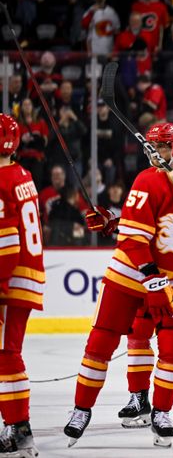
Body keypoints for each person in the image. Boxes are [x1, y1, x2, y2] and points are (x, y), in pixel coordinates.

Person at [64, 132, 173, 448]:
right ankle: (81, 409)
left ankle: (162, 413)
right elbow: (133, 240)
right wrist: (152, 279)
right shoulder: (148, 181)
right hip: (128, 276)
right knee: (101, 342)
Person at [0, 115, 45, 457]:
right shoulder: (22, 174)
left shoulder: (0, 179)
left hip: (9, 279)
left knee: (6, 355)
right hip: (28, 275)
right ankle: (16, 426)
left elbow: (7, 241)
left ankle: (19, 428)